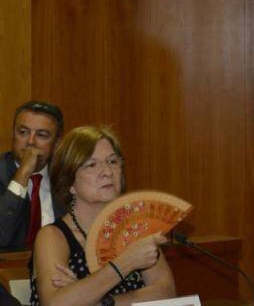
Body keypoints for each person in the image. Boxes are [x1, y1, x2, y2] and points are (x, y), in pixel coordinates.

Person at [30, 126, 175, 306]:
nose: (107, 172)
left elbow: (167, 293)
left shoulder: (135, 230)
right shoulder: (52, 236)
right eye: (92, 165)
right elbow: (56, 304)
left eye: (112, 161)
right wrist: (125, 263)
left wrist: (100, 301)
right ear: (69, 183)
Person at [0, 101, 65, 252]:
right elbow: (2, 236)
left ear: (57, 143)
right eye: (23, 132)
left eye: (41, 135)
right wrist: (23, 173)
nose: (30, 142)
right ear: (12, 134)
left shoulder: (67, 178)